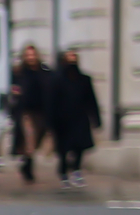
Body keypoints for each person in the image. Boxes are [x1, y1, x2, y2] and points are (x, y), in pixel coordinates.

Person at [50, 50, 100, 188]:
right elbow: (52, 101)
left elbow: (91, 100)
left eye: (74, 57)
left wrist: (96, 118)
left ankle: (76, 170)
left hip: (80, 118)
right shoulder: (57, 79)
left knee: (80, 146)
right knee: (63, 149)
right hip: (62, 120)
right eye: (69, 57)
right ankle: (63, 172)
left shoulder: (84, 79)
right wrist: (51, 121)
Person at [7, 45, 52, 184]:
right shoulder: (19, 72)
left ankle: (25, 163)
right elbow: (10, 87)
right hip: (25, 111)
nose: (30, 58)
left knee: (37, 140)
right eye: (28, 55)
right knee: (29, 139)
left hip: (41, 111)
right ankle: (29, 169)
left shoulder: (44, 71)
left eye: (32, 55)